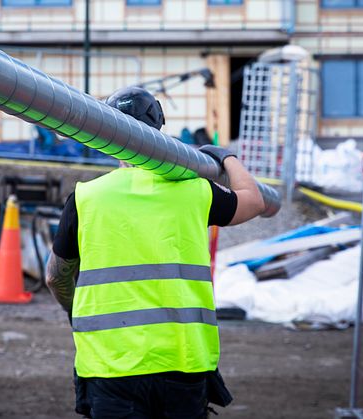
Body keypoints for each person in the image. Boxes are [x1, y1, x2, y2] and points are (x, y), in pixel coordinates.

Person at [45, 86, 267, 418]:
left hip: (111, 366)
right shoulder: (194, 191)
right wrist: (226, 157)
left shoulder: (86, 198)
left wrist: (75, 311)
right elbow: (255, 199)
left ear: (108, 131)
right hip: (182, 363)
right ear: (160, 127)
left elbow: (54, 277)